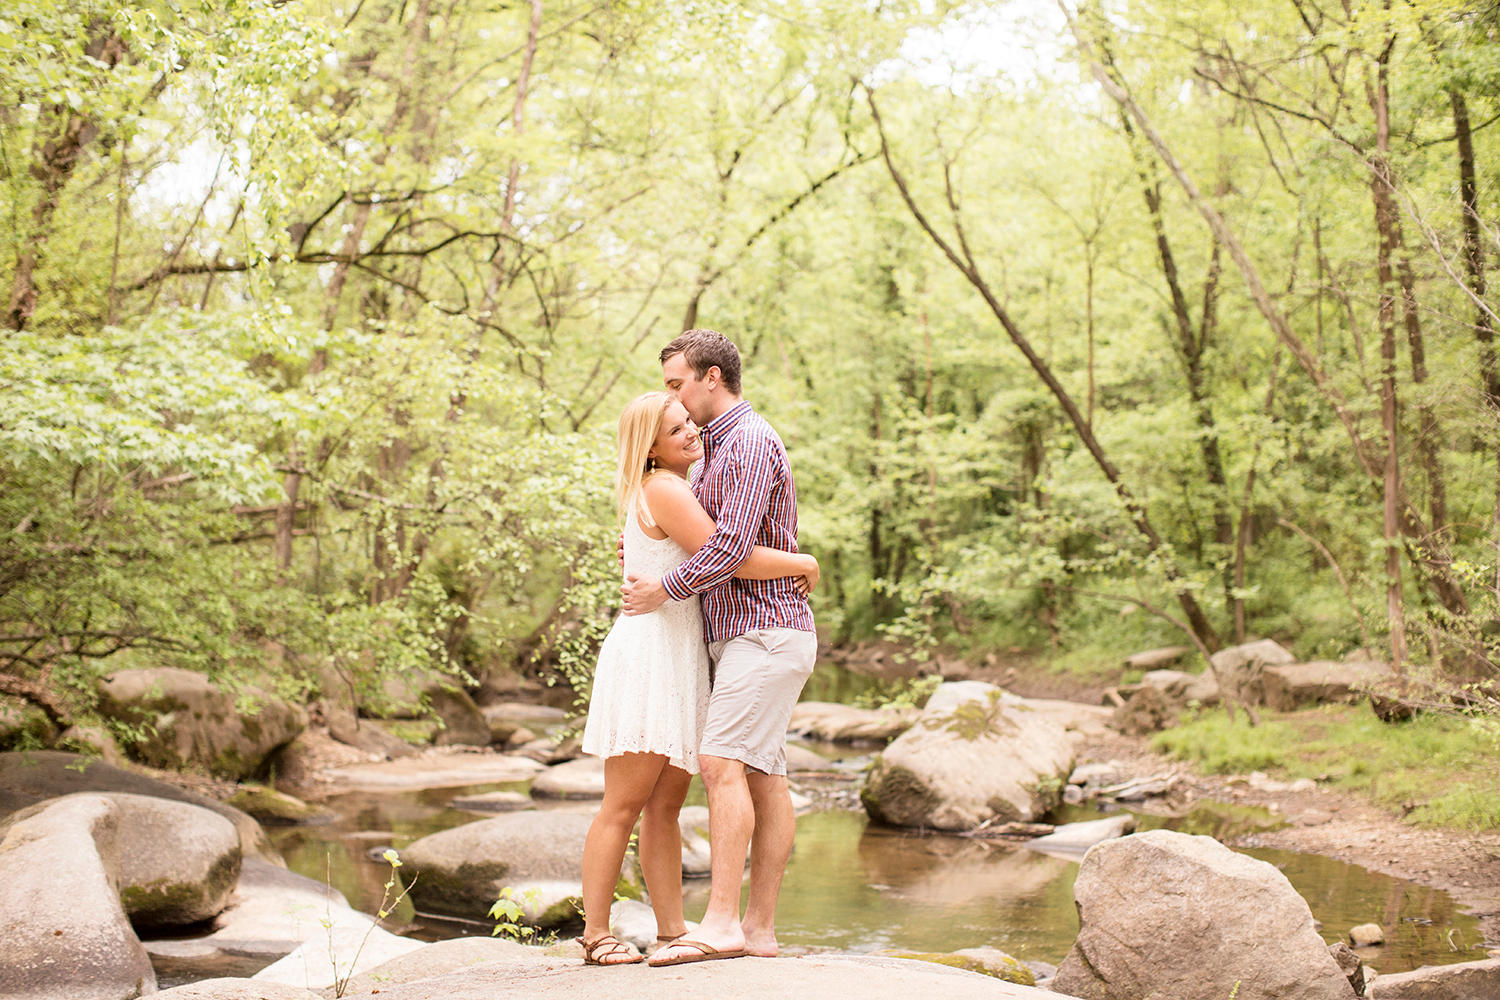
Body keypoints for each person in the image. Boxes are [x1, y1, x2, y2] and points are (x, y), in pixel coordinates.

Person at [576, 390, 818, 967]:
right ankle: (595, 934)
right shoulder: (663, 486)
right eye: (676, 428)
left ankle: (669, 931)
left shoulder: (672, 486)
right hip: (653, 654)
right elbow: (727, 555)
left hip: (681, 655)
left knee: (664, 807)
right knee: (624, 803)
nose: (692, 432)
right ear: (651, 447)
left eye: (690, 421)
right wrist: (801, 562)